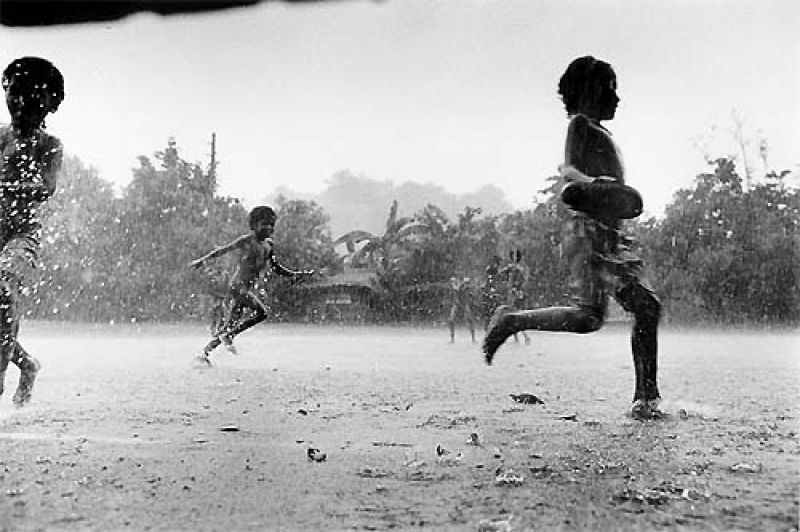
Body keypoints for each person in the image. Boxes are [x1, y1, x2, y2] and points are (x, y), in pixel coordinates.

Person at [482, 56, 663, 420]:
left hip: (610, 234)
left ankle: (647, 397)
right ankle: (646, 398)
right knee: (621, 311)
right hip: (589, 231)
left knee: (607, 315)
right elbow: (567, 169)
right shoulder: (580, 124)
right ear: (590, 91)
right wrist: (592, 184)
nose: (617, 98)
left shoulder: (602, 132)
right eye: (611, 89)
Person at [0, 57, 64, 406]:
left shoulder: (49, 144)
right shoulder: (0, 137)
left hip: (20, 234)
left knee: (3, 292)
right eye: (14, 93)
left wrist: (11, 186)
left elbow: (46, 188)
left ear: (50, 104)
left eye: (32, 96)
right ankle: (27, 364)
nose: (20, 103)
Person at [190, 206, 313, 365]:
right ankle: (229, 337)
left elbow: (276, 267)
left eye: (271, 225)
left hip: (246, 288)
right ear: (253, 225)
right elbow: (223, 250)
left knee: (230, 325)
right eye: (264, 224)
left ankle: (205, 353)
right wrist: (202, 261)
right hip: (237, 286)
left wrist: (295, 275)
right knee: (262, 313)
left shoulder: (269, 246)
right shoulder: (246, 241)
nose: (268, 228)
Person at [446, 276, 476, 343]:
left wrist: (463, 283)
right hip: (457, 304)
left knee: (470, 319)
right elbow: (457, 289)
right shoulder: (457, 286)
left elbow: (460, 290)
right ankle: (452, 339)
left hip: (464, 304)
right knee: (451, 320)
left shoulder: (465, 286)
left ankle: (473, 339)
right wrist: (462, 283)